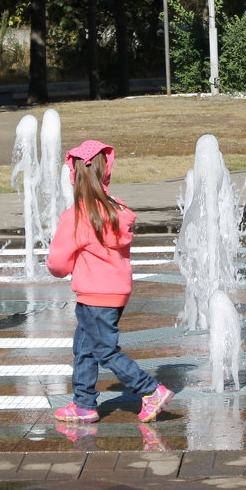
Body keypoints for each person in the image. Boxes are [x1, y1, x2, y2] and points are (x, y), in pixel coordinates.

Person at [47, 140, 174, 423]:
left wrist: (65, 269)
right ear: (106, 172)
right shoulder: (117, 210)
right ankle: (84, 404)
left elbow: (57, 263)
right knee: (84, 347)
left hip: (93, 294)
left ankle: (150, 389)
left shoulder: (77, 216)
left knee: (105, 350)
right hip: (116, 292)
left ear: (74, 176)